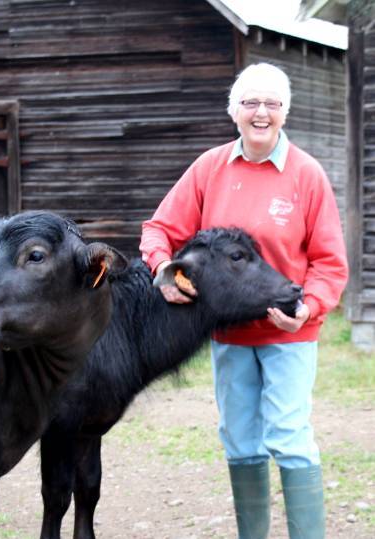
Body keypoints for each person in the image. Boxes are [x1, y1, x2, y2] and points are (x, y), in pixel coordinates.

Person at [139, 63, 348, 539]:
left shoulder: (307, 175)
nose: (261, 113)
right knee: (240, 442)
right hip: (230, 333)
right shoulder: (209, 168)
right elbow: (159, 230)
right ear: (234, 112)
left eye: (272, 104)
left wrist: (309, 307)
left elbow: (330, 262)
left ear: (285, 113)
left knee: (290, 437)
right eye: (251, 103)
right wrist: (161, 271)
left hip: (289, 331)